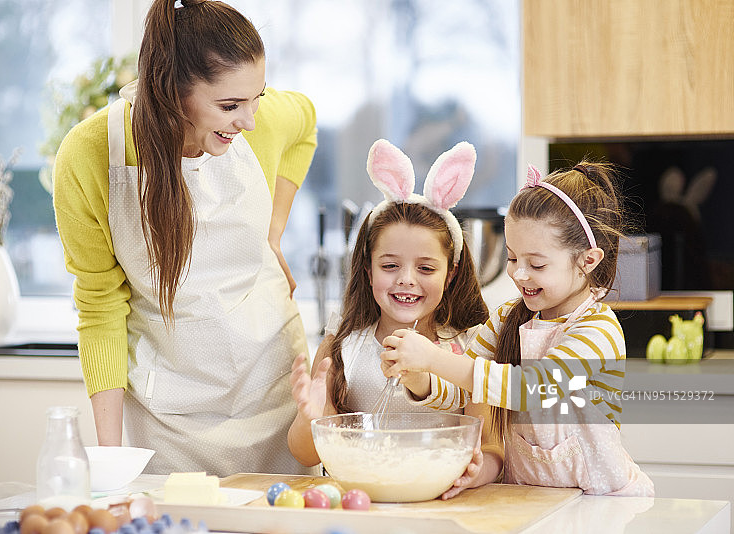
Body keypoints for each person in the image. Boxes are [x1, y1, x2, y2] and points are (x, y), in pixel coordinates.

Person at [53, 0, 317, 476]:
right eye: (230, 106)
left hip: (273, 389)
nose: (250, 120)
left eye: (258, 97)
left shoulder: (258, 123)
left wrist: (272, 233)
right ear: (172, 92)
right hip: (168, 410)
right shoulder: (91, 154)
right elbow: (100, 306)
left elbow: (306, 123)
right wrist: (110, 461)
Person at [382, 161, 655, 496]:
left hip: (603, 505)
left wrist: (434, 359)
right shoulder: (509, 318)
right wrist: (418, 376)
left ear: (588, 260)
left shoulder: (598, 331)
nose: (519, 274)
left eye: (536, 264)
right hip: (529, 497)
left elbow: (532, 389)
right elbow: (464, 390)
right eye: (512, 258)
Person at [288, 139, 504, 497]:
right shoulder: (343, 345)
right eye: (390, 266)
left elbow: (491, 448)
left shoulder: (471, 348)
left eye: (425, 267)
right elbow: (306, 451)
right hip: (363, 508)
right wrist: (309, 419)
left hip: (442, 510)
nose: (406, 279)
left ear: (449, 274)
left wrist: (480, 470)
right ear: (369, 270)